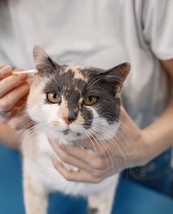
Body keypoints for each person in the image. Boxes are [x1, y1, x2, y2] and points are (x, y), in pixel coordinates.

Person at [0, 0, 173, 186]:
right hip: (53, 156)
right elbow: (8, 134)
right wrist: (22, 117)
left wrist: (145, 148)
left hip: (146, 149)